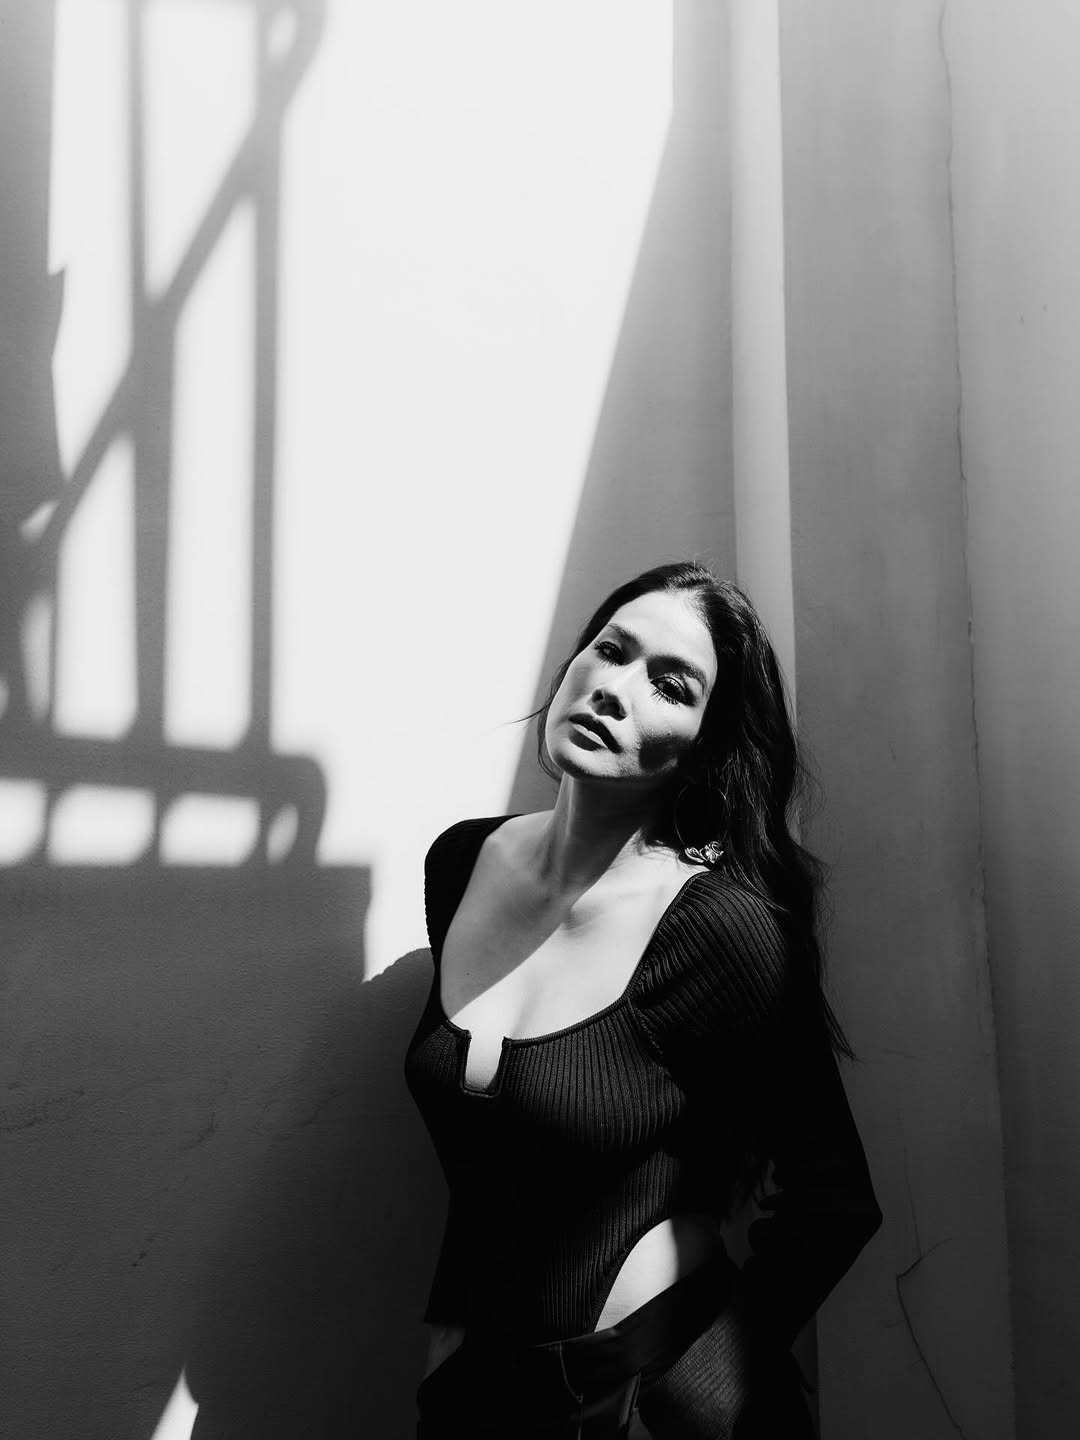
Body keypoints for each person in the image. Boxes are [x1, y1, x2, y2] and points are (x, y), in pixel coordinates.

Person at [404, 561, 883, 1438]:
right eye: (612, 649)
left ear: (703, 744)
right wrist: (452, 1345)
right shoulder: (460, 864)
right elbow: (489, 1156)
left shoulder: (720, 930)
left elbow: (834, 1195)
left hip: (644, 1390)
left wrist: (700, 1391)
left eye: (670, 685)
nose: (615, 690)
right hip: (490, 1394)